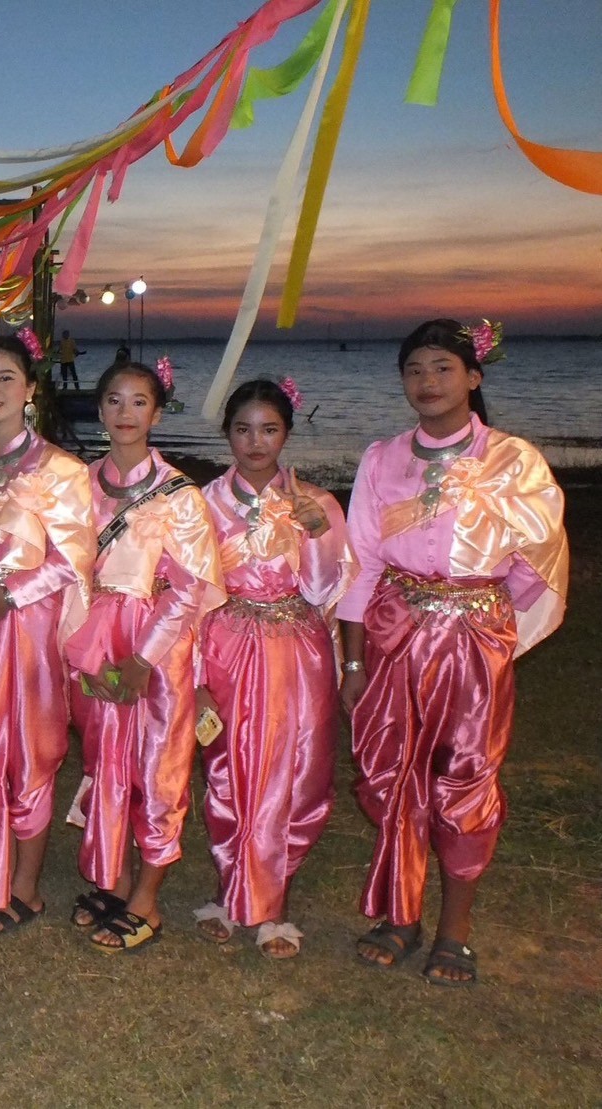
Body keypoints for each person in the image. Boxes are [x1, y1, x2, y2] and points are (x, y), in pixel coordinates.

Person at [338, 319, 567, 986]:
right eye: (414, 369)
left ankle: (454, 932)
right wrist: (353, 661)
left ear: (473, 376)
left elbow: (539, 554)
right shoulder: (382, 459)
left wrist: (490, 619)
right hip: (393, 635)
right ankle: (400, 914)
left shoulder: (513, 460)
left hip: (472, 640)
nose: (427, 381)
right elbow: (361, 562)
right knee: (389, 772)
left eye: (442, 367)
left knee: (464, 778)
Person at [65, 359, 224, 953]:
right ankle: (113, 878)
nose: (125, 413)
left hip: (158, 642)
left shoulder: (180, 494)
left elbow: (191, 587)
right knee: (104, 760)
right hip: (94, 635)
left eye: (139, 402)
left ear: (156, 413)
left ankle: (147, 900)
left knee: (158, 766)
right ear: (100, 408)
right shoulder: (80, 483)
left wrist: (143, 659)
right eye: (114, 400)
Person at [194, 378, 356, 958]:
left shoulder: (317, 502)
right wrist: (195, 678)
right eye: (243, 429)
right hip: (226, 645)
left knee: (296, 772)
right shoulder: (203, 503)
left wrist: (317, 534)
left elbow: (325, 591)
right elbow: (190, 593)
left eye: (269, 430)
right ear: (227, 434)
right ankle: (231, 889)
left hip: (296, 651)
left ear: (287, 433)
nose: (255, 442)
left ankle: (273, 902)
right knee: (228, 768)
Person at [0, 335, 95, 933]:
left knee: (32, 751)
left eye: (6, 377)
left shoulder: (60, 468)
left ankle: (23, 887)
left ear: (30, 389)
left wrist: (10, 593)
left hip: (29, 626)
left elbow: (74, 558)